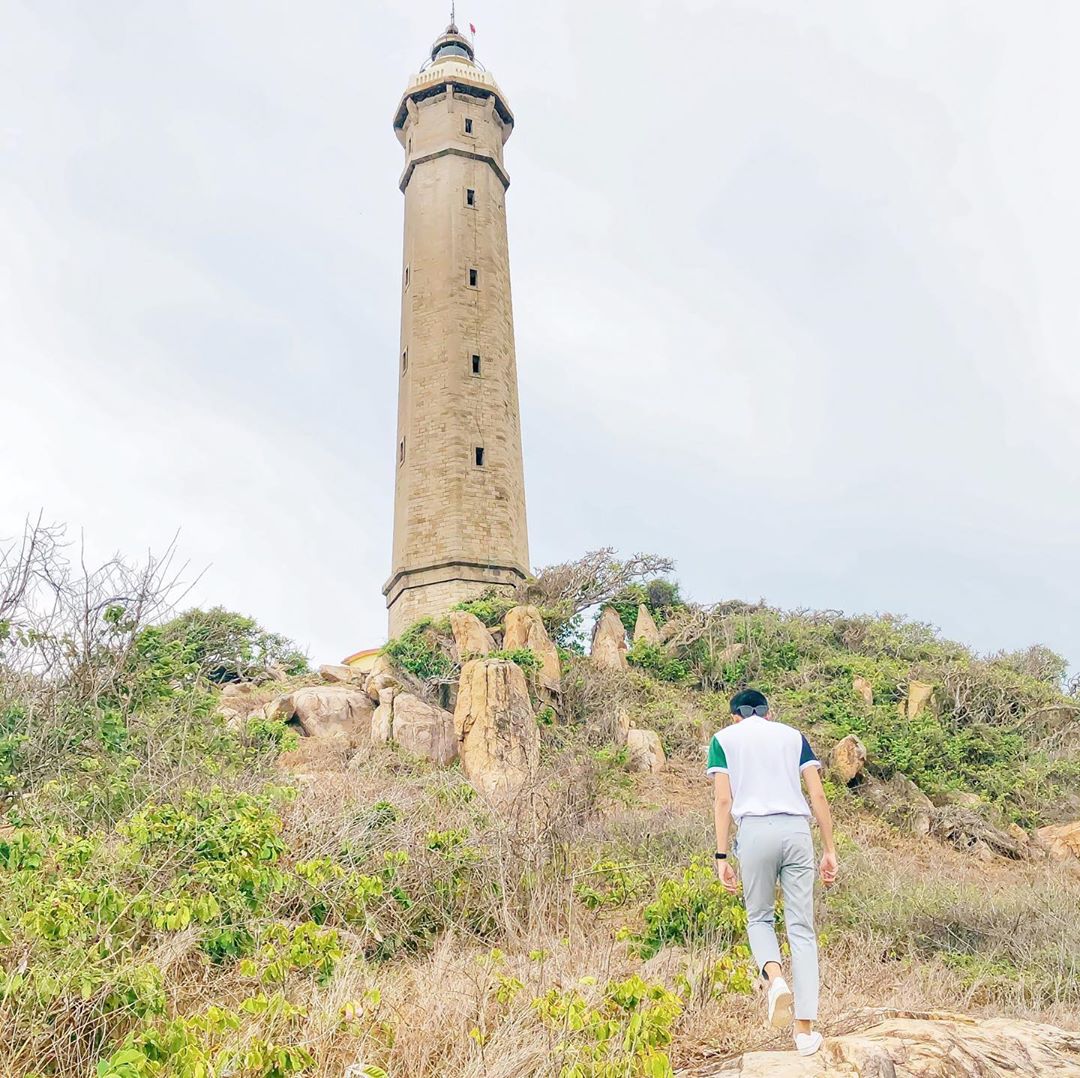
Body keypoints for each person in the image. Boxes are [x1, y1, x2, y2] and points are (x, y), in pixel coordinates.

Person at [707, 688, 838, 1057]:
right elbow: (818, 796)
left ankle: (775, 979)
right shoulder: (793, 736)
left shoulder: (723, 739)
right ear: (769, 713)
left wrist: (721, 856)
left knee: (759, 918)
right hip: (796, 831)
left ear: (735, 716)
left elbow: (722, 800)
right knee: (802, 929)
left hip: (754, 832)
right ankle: (805, 1032)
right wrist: (829, 849)